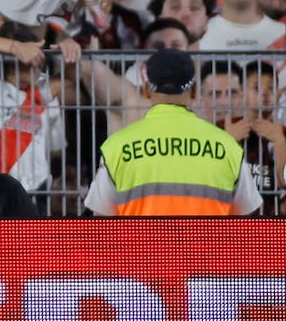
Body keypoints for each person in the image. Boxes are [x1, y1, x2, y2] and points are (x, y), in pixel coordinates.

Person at [84, 48, 262, 216]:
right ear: (193, 92)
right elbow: (248, 215)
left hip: (142, 248)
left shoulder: (116, 147)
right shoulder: (227, 146)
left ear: (146, 90)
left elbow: (102, 219)